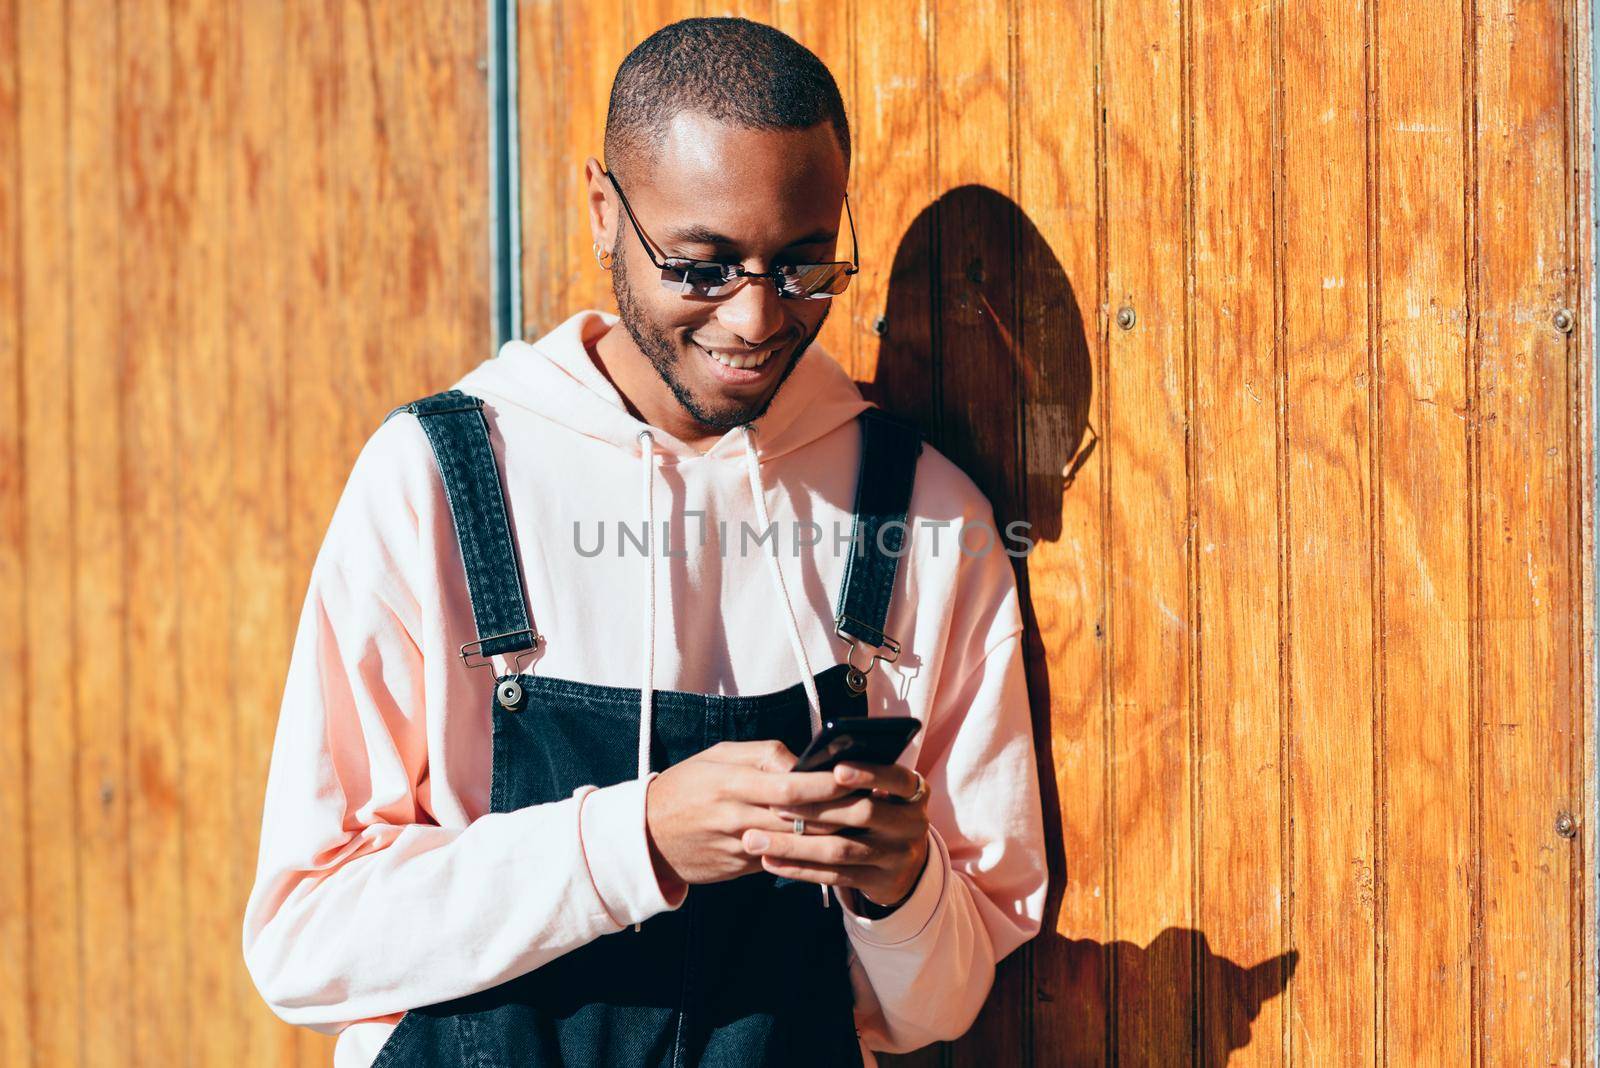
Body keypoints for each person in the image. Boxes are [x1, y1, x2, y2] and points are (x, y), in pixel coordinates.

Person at [241, 16, 1047, 1068]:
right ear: (600, 211)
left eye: (802, 266)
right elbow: (305, 942)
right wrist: (637, 841)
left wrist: (898, 889)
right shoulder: (438, 479)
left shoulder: (926, 518)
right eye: (703, 266)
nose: (756, 320)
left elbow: (939, 1005)